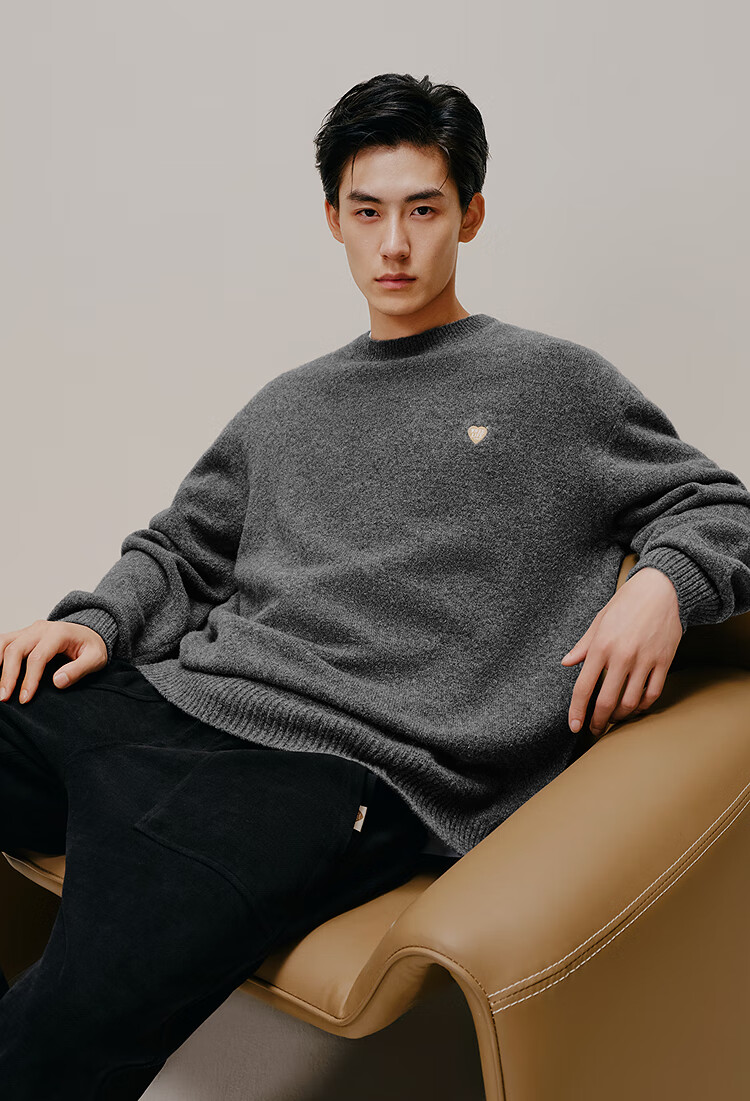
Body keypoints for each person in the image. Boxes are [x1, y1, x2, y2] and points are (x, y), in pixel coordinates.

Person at [2, 71, 750, 1099]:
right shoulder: (290, 402)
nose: (394, 245)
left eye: (423, 211)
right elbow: (183, 548)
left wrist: (661, 585)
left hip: (323, 771)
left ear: (470, 216)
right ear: (334, 221)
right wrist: (98, 620)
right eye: (367, 213)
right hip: (164, 702)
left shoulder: (553, 384)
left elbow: (720, 508)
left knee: (64, 1033)